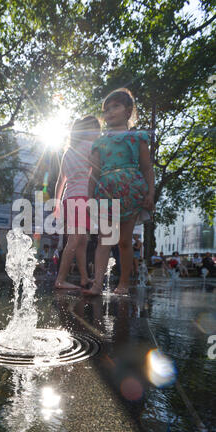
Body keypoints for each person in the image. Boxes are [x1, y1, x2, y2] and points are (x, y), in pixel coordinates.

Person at [83, 88, 155, 296]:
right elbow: (94, 172)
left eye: (116, 106)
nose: (110, 112)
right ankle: (97, 284)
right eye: (106, 109)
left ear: (128, 111)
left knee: (124, 241)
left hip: (131, 193)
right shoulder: (100, 143)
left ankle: (123, 284)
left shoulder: (137, 138)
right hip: (105, 193)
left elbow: (147, 167)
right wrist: (89, 198)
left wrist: (150, 193)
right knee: (104, 239)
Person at [54, 116, 101, 289]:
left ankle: (83, 278)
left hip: (68, 198)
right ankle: (60, 279)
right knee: (75, 240)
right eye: (96, 129)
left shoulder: (68, 152)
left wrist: (57, 203)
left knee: (82, 240)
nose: (98, 132)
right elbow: (97, 172)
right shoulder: (91, 147)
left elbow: (61, 180)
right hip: (82, 198)